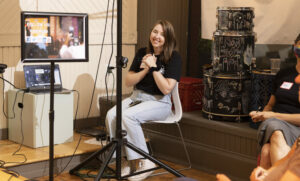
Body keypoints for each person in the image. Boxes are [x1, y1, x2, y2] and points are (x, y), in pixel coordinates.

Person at [105, 20, 181, 181]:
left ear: (168, 38)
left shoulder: (174, 57)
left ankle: (145, 161)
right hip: (137, 97)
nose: (157, 36)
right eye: (155, 32)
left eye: (162, 34)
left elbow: (167, 88)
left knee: (128, 116)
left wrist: (153, 67)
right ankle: (129, 162)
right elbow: (128, 81)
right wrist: (145, 68)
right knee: (112, 115)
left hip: (160, 102)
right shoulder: (142, 52)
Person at [249, 33, 300, 169]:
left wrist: (271, 116)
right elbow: (270, 105)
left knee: (266, 151)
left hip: (295, 128)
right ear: (294, 47)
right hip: (275, 125)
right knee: (274, 129)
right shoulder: (284, 74)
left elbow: (272, 114)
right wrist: (262, 114)